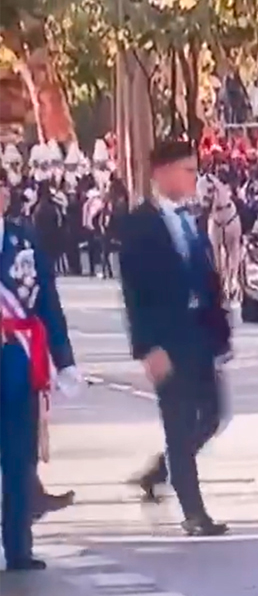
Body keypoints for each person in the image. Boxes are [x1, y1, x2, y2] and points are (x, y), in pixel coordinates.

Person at [118, 140, 232, 538]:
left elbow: (206, 276)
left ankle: (160, 470)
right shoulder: (139, 223)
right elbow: (134, 290)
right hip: (167, 340)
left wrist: (222, 334)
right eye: (186, 170)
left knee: (214, 414)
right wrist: (147, 347)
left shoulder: (191, 221)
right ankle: (194, 513)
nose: (192, 178)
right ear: (161, 173)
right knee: (179, 425)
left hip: (200, 334)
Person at [0, 177, 82, 570]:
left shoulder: (25, 242)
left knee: (19, 459)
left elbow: (48, 302)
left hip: (17, 364)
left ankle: (18, 547)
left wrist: (65, 360)